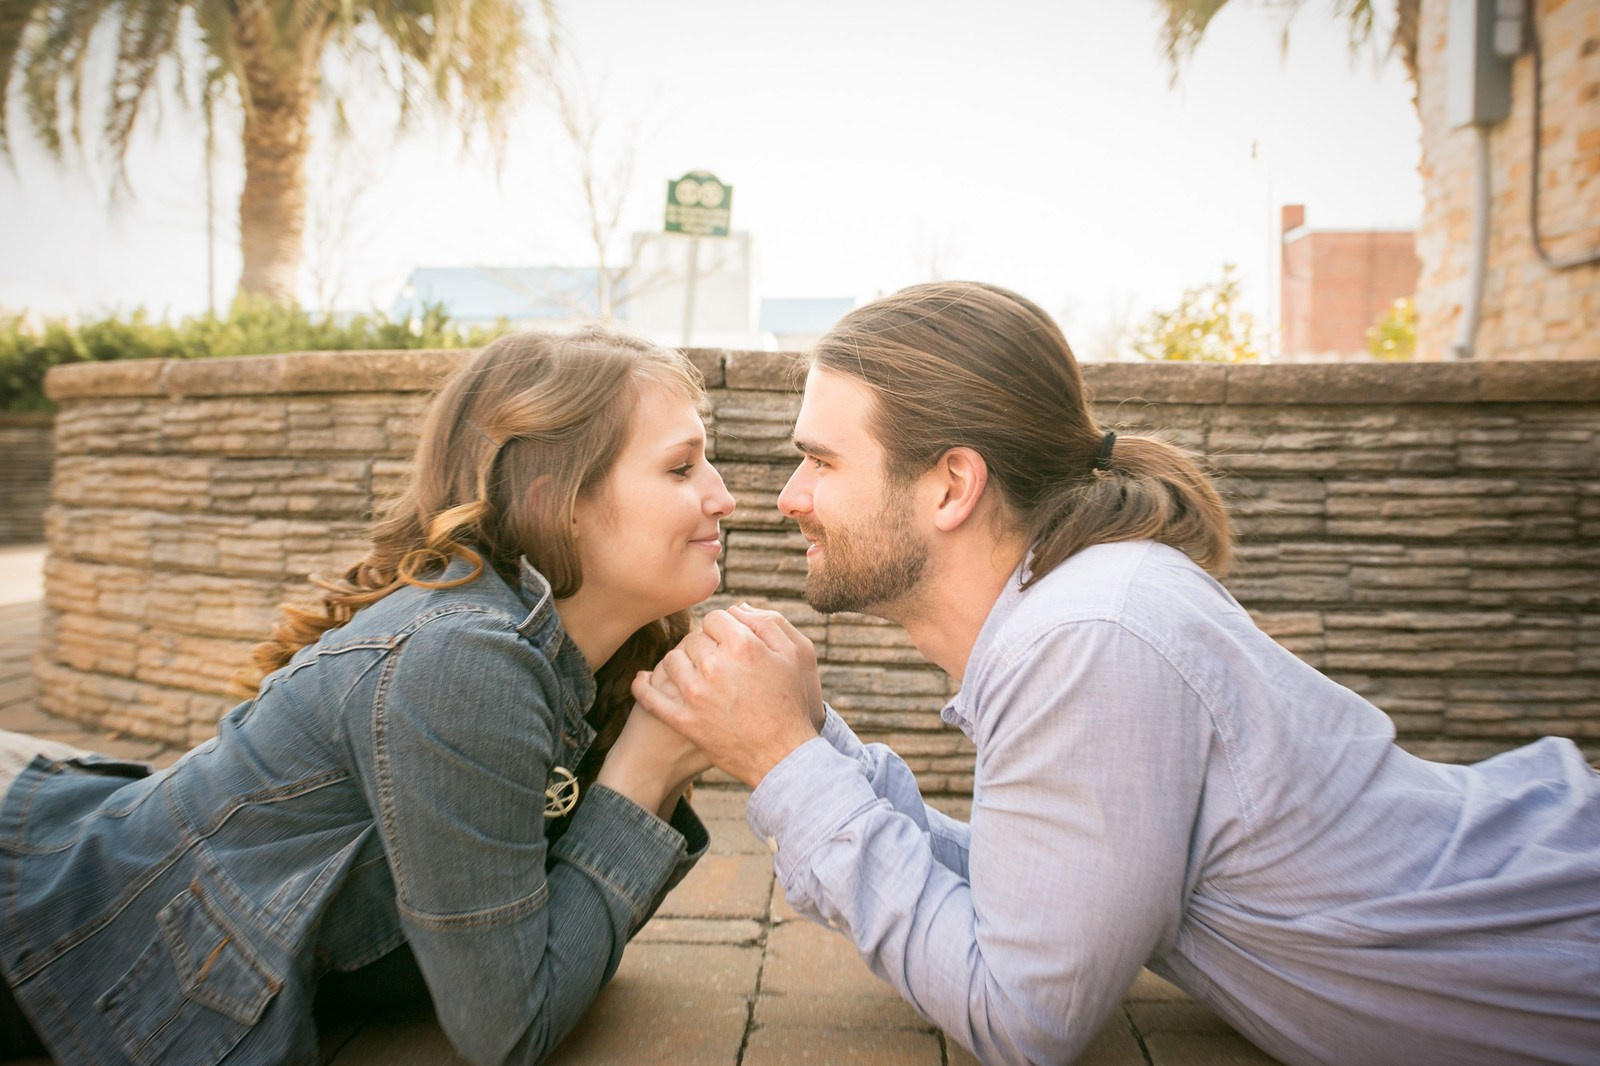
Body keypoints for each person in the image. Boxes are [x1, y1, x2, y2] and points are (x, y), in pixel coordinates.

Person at [632, 281, 1600, 1065]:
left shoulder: (1087, 635)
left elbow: (1020, 1014)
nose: (788, 497)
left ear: (951, 485)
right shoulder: (1074, 610)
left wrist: (785, 759)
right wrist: (816, 743)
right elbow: (1035, 900)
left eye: (821, 462)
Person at [0, 327, 733, 1064]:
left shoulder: (582, 659)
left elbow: (564, 945)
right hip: (41, 919)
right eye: (681, 468)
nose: (723, 497)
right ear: (558, 501)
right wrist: (645, 771)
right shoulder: (464, 660)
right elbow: (513, 1027)